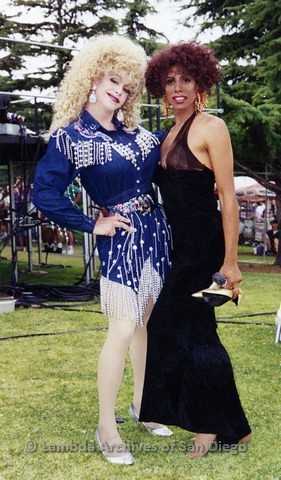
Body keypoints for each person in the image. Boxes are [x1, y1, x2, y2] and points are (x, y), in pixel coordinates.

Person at [32, 34, 173, 465]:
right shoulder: (71, 137)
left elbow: (171, 149)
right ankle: (106, 427)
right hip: (120, 239)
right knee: (123, 328)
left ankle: (143, 406)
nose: (121, 90)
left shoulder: (137, 135)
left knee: (147, 325)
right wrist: (93, 223)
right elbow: (45, 193)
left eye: (129, 86)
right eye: (115, 79)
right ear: (93, 75)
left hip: (155, 234)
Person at [139, 40, 252, 458]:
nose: (177, 87)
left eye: (185, 79)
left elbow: (228, 196)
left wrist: (230, 262)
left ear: (200, 81)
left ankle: (207, 428)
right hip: (177, 248)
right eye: (169, 81)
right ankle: (235, 429)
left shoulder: (211, 127)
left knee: (185, 333)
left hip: (204, 249)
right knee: (193, 333)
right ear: (161, 88)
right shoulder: (165, 136)